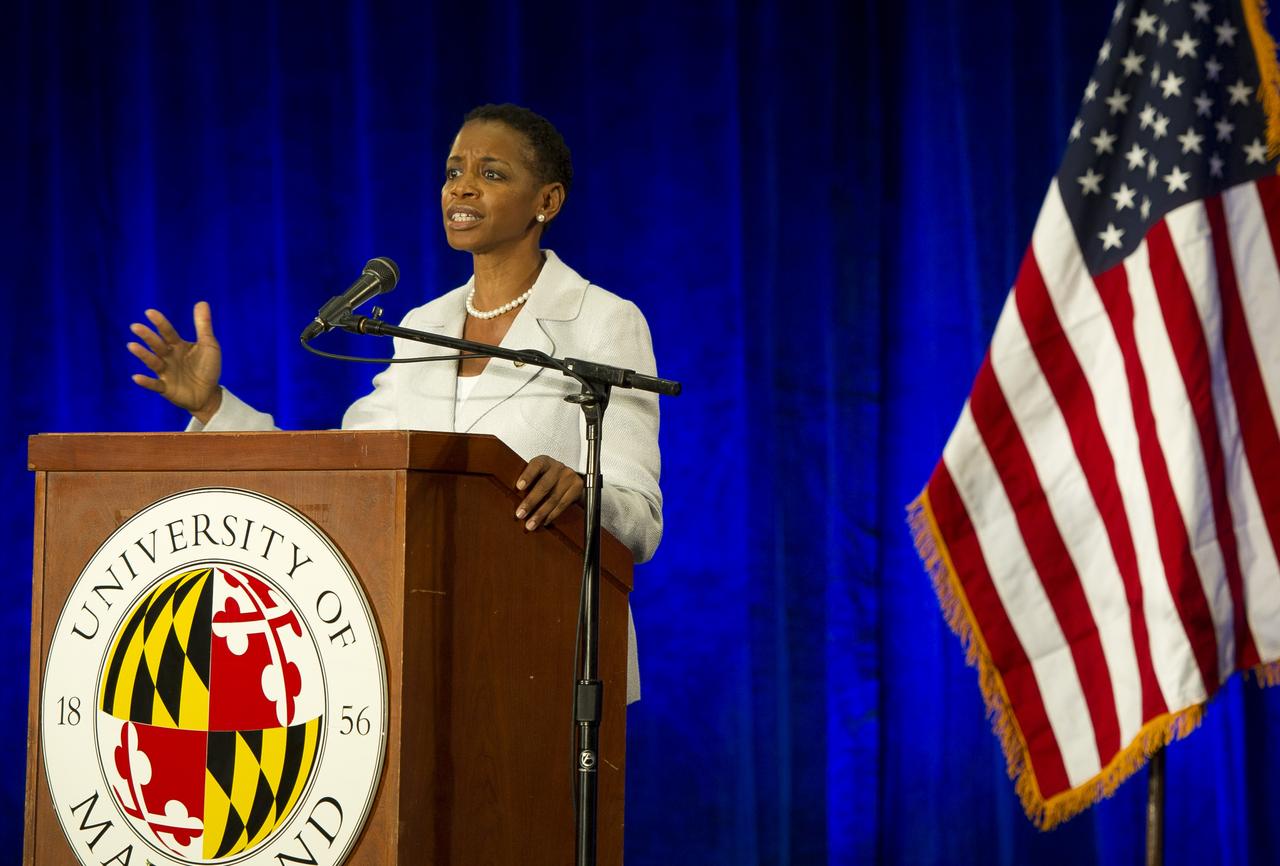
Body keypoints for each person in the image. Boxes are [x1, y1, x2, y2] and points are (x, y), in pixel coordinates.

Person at [125, 103, 662, 700]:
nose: (461, 186)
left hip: (550, 648)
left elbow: (641, 518)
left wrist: (584, 492)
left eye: (491, 173)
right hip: (420, 645)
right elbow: (345, 470)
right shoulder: (421, 325)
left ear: (548, 201)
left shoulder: (602, 321)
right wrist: (214, 407)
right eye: (453, 170)